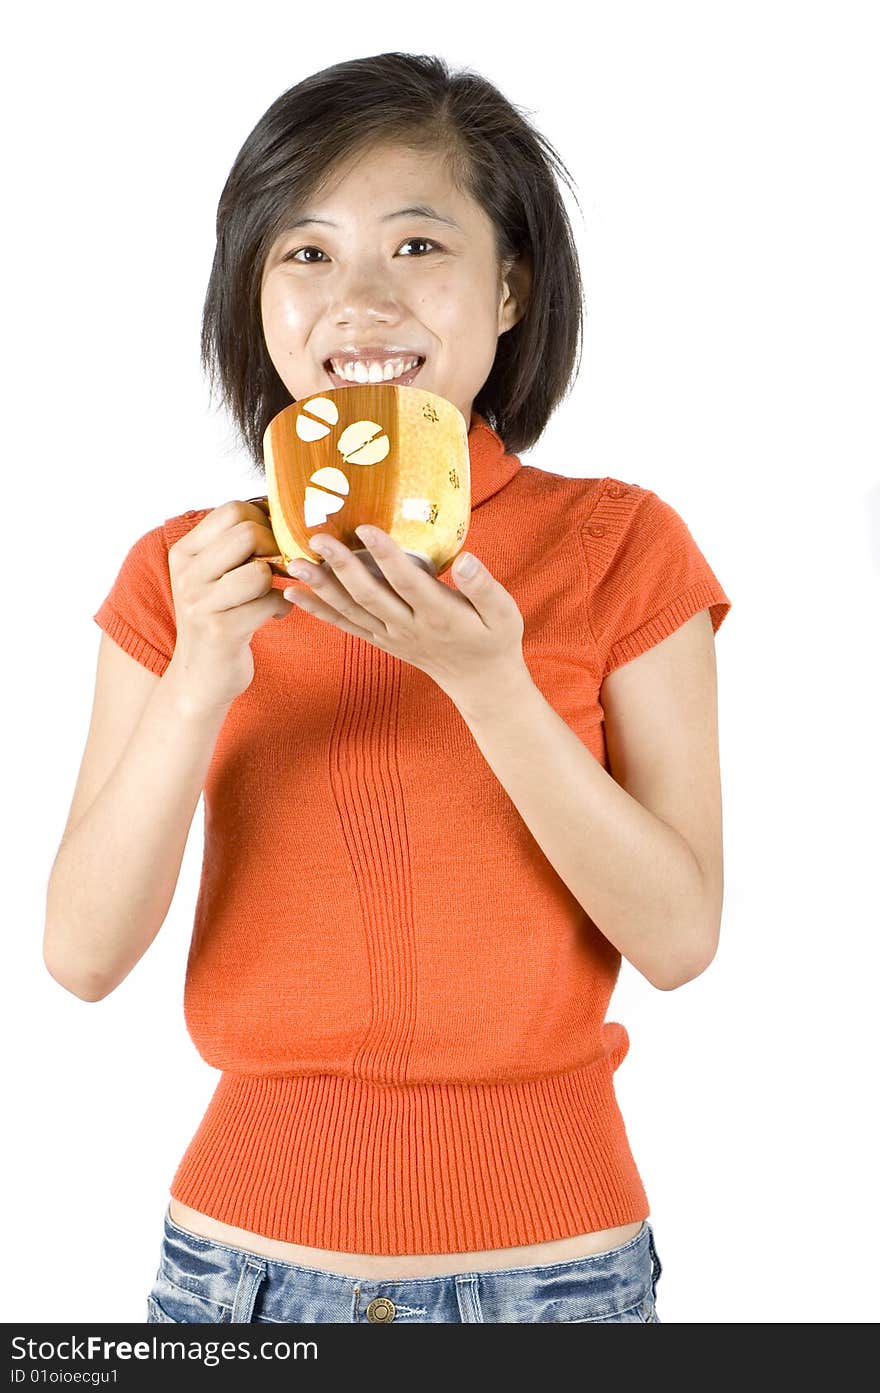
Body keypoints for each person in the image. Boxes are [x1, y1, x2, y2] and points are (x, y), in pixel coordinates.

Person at [44, 52, 731, 1325]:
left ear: (511, 284)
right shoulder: (184, 574)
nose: (356, 297)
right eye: (302, 253)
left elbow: (680, 937)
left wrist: (489, 683)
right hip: (232, 1276)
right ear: (252, 292)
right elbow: (80, 956)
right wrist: (201, 671)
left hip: (555, 1272)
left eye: (417, 246)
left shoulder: (621, 546)